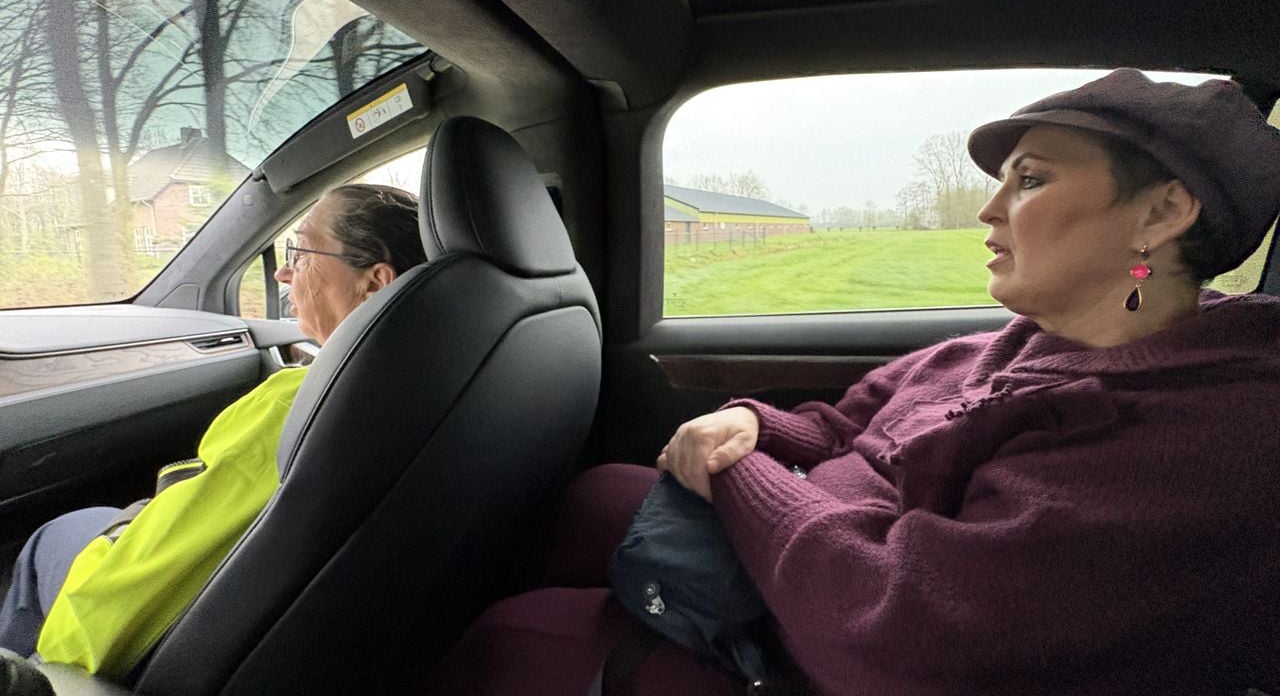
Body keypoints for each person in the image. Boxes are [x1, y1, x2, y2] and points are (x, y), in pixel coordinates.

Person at [427, 69, 1280, 695]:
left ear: (1163, 214)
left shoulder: (1201, 435)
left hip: (845, 654)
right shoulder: (1013, 344)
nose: (988, 210)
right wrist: (759, 428)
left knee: (510, 643)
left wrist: (738, 474)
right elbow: (847, 423)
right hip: (804, 581)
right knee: (596, 499)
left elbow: (900, 637)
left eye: (1031, 179)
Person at [0, 183, 427, 679]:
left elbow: (138, 582)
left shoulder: (303, 402)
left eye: (301, 251)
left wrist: (57, 672)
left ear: (373, 282)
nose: (285, 272)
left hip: (194, 643)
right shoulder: (446, 370)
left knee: (52, 538)